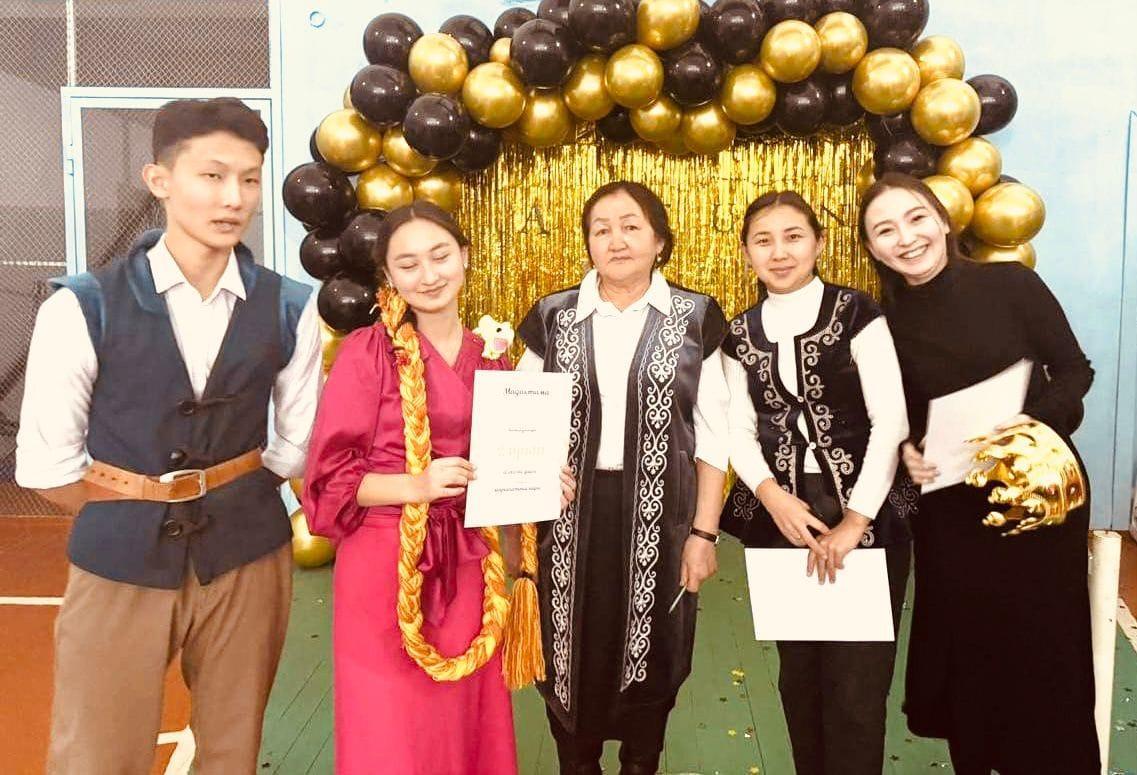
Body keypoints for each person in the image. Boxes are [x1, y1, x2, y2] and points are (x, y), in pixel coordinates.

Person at [15, 97, 322, 773]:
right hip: (119, 557)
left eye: (249, 178)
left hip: (248, 555)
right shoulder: (81, 306)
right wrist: (136, 502)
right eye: (212, 175)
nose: (234, 197)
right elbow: (47, 468)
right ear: (159, 180)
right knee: (96, 754)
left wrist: (229, 490)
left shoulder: (291, 306)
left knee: (232, 749)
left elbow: (295, 445)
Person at [302, 202, 573, 774]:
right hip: (385, 563)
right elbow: (327, 482)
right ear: (388, 276)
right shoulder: (368, 353)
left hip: (469, 562)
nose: (428, 275)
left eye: (440, 255)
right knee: (391, 724)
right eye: (408, 264)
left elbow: (500, 468)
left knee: (463, 715)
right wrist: (416, 484)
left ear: (465, 256)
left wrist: (541, 484)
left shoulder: (491, 359)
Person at [858, 172, 1099, 774]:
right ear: (873, 249)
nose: (906, 237)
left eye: (916, 218)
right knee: (970, 647)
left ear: (943, 221)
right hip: (953, 505)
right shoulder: (884, 325)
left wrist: (1027, 426)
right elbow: (899, 417)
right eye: (885, 230)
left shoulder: (1012, 284)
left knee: (1044, 644)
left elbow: (1075, 371)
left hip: (1037, 492)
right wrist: (908, 452)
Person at [517, 180, 729, 775]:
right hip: (568, 521)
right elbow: (519, 417)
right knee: (568, 651)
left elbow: (714, 437)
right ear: (587, 242)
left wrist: (704, 534)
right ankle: (576, 762)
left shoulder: (697, 317)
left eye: (631, 226)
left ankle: (642, 761)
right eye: (602, 229)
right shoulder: (552, 317)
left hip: (664, 521)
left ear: (659, 240)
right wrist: (535, 469)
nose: (616, 240)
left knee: (654, 652)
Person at [719, 190, 913, 775]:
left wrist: (855, 521)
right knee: (799, 681)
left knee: (857, 687)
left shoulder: (857, 312)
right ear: (747, 253)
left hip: (869, 518)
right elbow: (736, 429)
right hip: (784, 523)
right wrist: (771, 497)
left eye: (793, 237)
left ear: (819, 243)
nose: (779, 252)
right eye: (763, 241)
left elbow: (891, 420)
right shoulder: (738, 333)